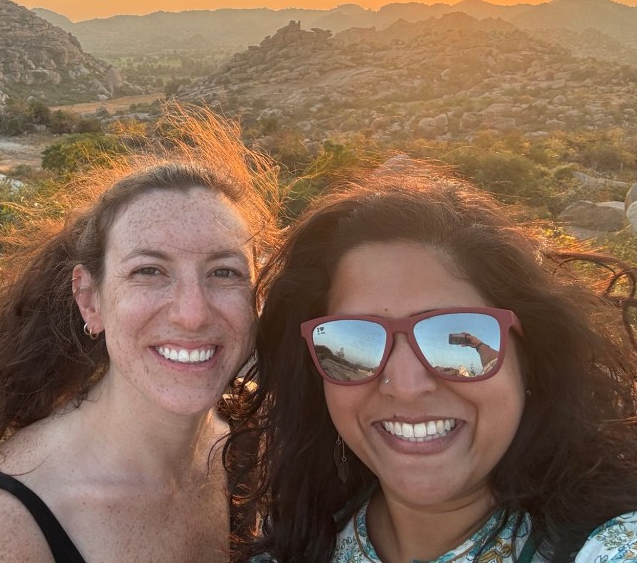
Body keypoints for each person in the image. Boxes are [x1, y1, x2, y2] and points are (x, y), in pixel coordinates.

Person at [231, 161, 637, 563]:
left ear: (529, 357)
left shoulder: (610, 547)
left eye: (452, 335)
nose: (406, 385)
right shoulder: (293, 546)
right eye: (353, 344)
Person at [0, 108, 280, 563]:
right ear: (89, 299)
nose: (192, 314)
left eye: (224, 272)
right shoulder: (9, 526)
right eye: (149, 271)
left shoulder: (253, 435)